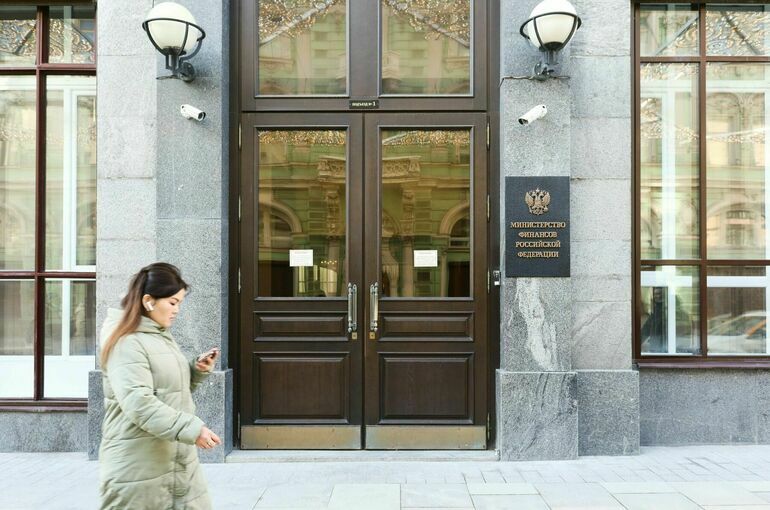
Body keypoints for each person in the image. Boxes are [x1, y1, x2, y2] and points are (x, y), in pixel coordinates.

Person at [98, 262, 221, 509]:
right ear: (148, 301)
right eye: (173, 303)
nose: (177, 310)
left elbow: (166, 391)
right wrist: (192, 429)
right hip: (139, 468)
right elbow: (138, 403)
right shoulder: (126, 342)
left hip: (174, 462)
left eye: (179, 303)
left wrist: (195, 371)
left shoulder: (157, 335)